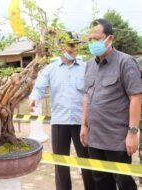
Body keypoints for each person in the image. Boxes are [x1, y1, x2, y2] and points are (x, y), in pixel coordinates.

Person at [80, 18, 142, 190]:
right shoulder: (89, 65)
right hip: (94, 139)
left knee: (124, 183)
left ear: (110, 38)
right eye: (90, 39)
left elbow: (136, 97)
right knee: (100, 181)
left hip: (117, 139)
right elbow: (87, 96)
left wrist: (133, 133)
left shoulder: (125, 62)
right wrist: (84, 125)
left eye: (97, 39)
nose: (93, 43)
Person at [28, 32, 95, 190]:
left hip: (82, 122)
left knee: (86, 161)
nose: (73, 48)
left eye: (75, 44)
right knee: (60, 163)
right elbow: (39, 86)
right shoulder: (50, 69)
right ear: (60, 48)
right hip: (59, 122)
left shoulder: (86, 68)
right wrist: (33, 98)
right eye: (70, 44)